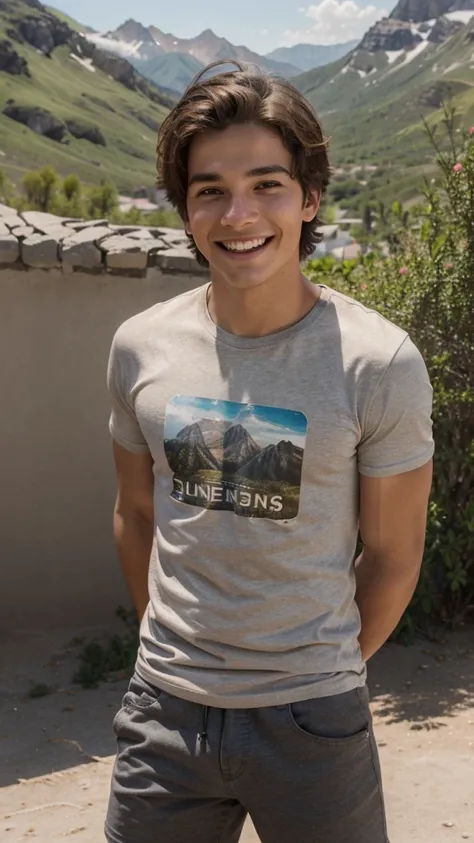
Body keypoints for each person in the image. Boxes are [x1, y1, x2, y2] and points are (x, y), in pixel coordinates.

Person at [105, 60, 434, 843]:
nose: (237, 213)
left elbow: (393, 554)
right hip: (165, 717)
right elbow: (136, 511)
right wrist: (174, 649)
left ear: (310, 198)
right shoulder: (138, 348)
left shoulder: (378, 363)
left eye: (267, 184)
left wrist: (318, 672)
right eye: (210, 189)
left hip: (313, 724)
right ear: (186, 209)